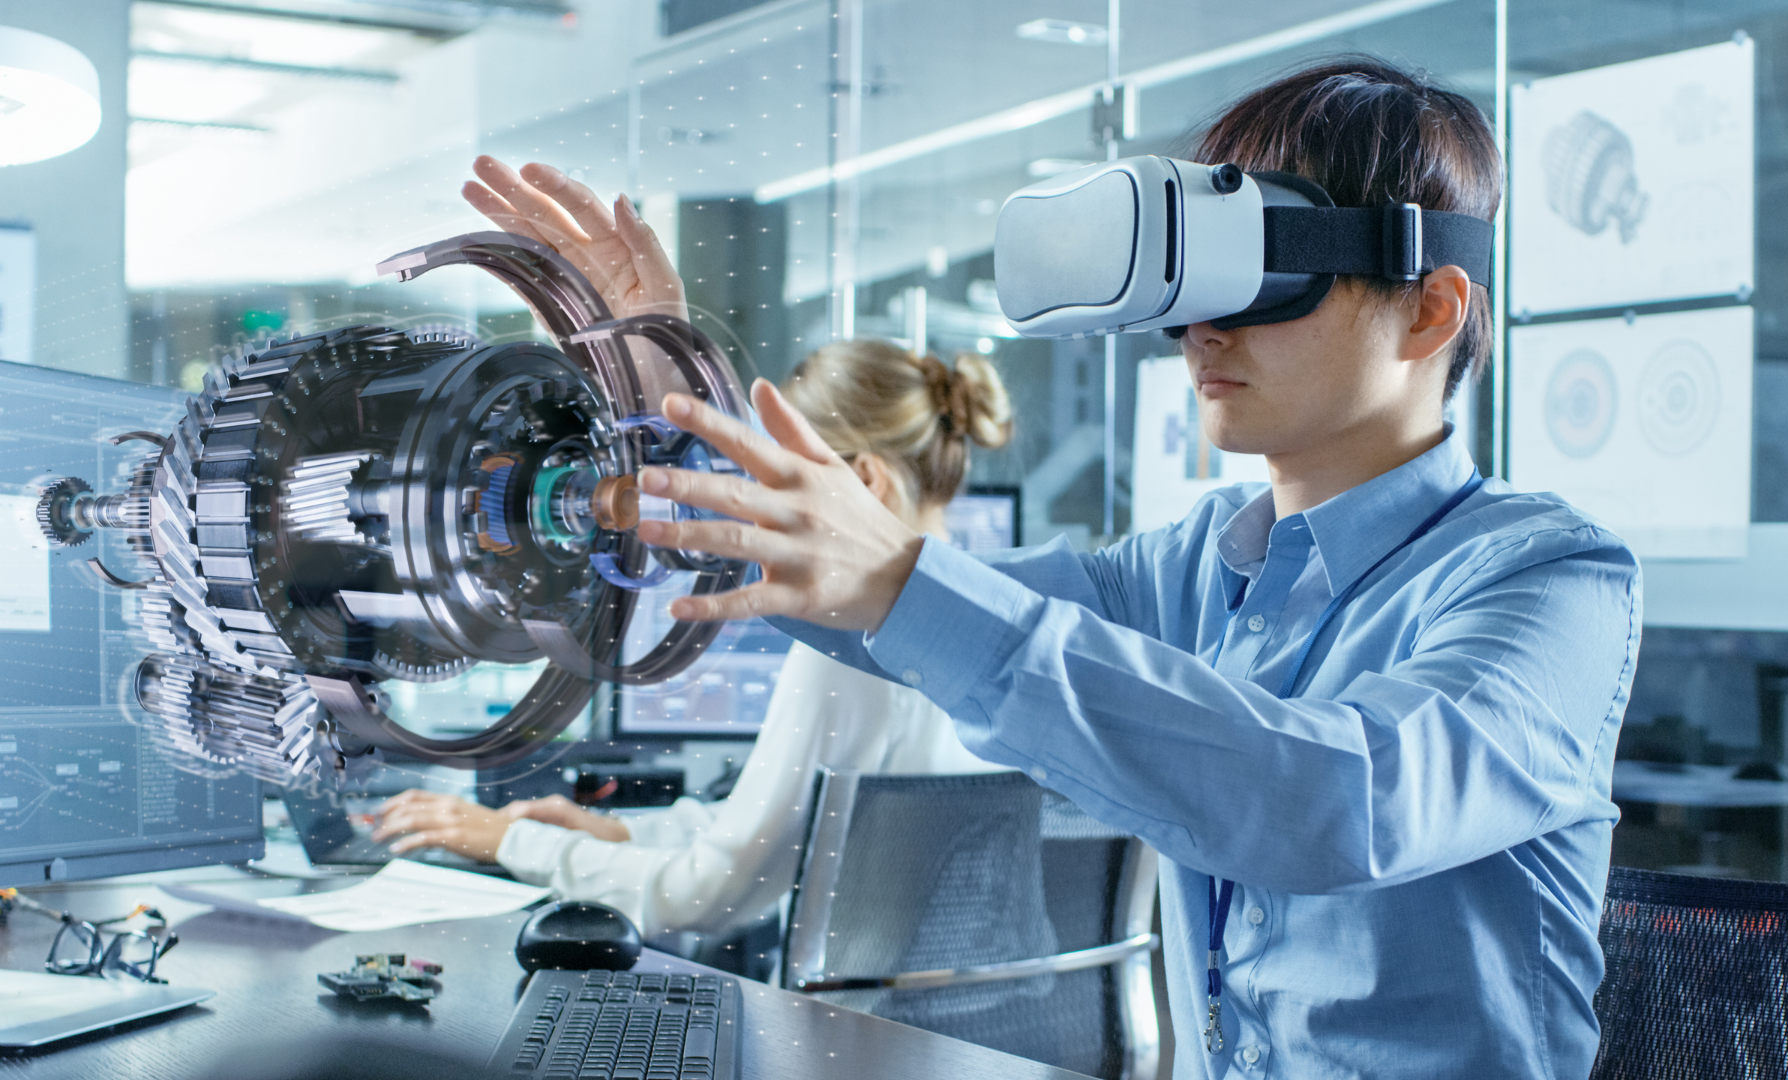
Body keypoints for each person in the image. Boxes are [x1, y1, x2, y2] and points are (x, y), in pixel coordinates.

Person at [595, 59, 1642, 1080]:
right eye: (1198, 280)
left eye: (1267, 274)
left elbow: (1340, 800)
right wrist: (674, 420)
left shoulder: (1552, 579)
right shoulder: (1192, 569)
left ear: (1430, 310)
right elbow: (860, 603)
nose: (1202, 328)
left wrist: (905, 580)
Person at [373, 203, 1018, 937]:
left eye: (780, 483)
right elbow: (767, 837)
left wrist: (504, 840)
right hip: (974, 1030)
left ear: (864, 483)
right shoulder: (994, 620)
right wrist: (612, 832)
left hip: (870, 1043)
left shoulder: (863, 644)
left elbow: (704, 897)